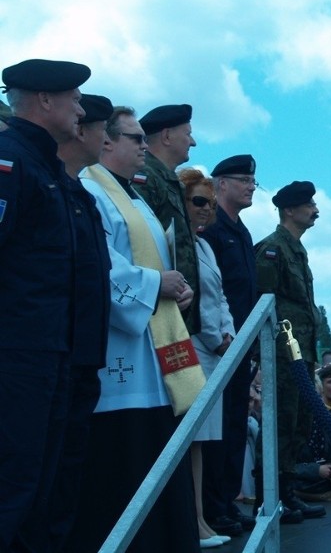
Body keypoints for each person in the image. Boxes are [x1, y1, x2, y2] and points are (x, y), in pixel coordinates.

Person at [70, 106, 201, 553]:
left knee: (158, 453)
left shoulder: (135, 197)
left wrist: (175, 287)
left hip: (152, 347)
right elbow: (98, 269)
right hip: (120, 357)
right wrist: (155, 284)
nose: (144, 147)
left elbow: (157, 259)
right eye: (135, 138)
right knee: (124, 463)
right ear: (107, 141)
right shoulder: (92, 191)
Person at [0, 58, 89, 551]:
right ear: (45, 100)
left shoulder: (48, 168)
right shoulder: (10, 161)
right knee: (14, 487)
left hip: (52, 352)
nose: (79, 106)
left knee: (41, 488)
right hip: (17, 353)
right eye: (73, 97)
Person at [43, 94, 113, 551]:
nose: (106, 139)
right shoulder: (31, 176)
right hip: (40, 352)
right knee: (33, 476)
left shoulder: (78, 194)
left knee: (64, 476)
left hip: (79, 354)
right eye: (103, 129)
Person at [255, 180, 327, 520]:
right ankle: (268, 498)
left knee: (297, 423)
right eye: (308, 204)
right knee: (279, 423)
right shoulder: (273, 249)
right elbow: (263, 303)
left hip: (299, 353)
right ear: (289, 210)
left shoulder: (296, 249)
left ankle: (288, 493)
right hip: (281, 353)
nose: (315, 209)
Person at [200, 155, 260, 534]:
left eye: (254, 180)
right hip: (218, 343)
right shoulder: (212, 230)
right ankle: (213, 507)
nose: (251, 186)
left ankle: (226, 502)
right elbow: (216, 290)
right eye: (243, 180)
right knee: (216, 429)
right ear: (221, 184)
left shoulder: (241, 231)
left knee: (236, 424)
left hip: (242, 344)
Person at [179, 168, 237, 548]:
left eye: (211, 203)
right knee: (190, 438)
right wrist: (217, 339)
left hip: (215, 349)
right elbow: (192, 299)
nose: (206, 209)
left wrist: (231, 333)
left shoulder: (203, 245)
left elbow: (220, 296)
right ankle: (192, 520)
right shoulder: (174, 241)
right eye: (198, 201)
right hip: (195, 347)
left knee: (202, 440)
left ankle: (199, 517)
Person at [136, 104, 199, 334]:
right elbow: (137, 241)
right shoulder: (146, 177)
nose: (193, 142)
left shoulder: (169, 181)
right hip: (153, 310)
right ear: (167, 136)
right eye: (188, 134)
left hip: (174, 309)